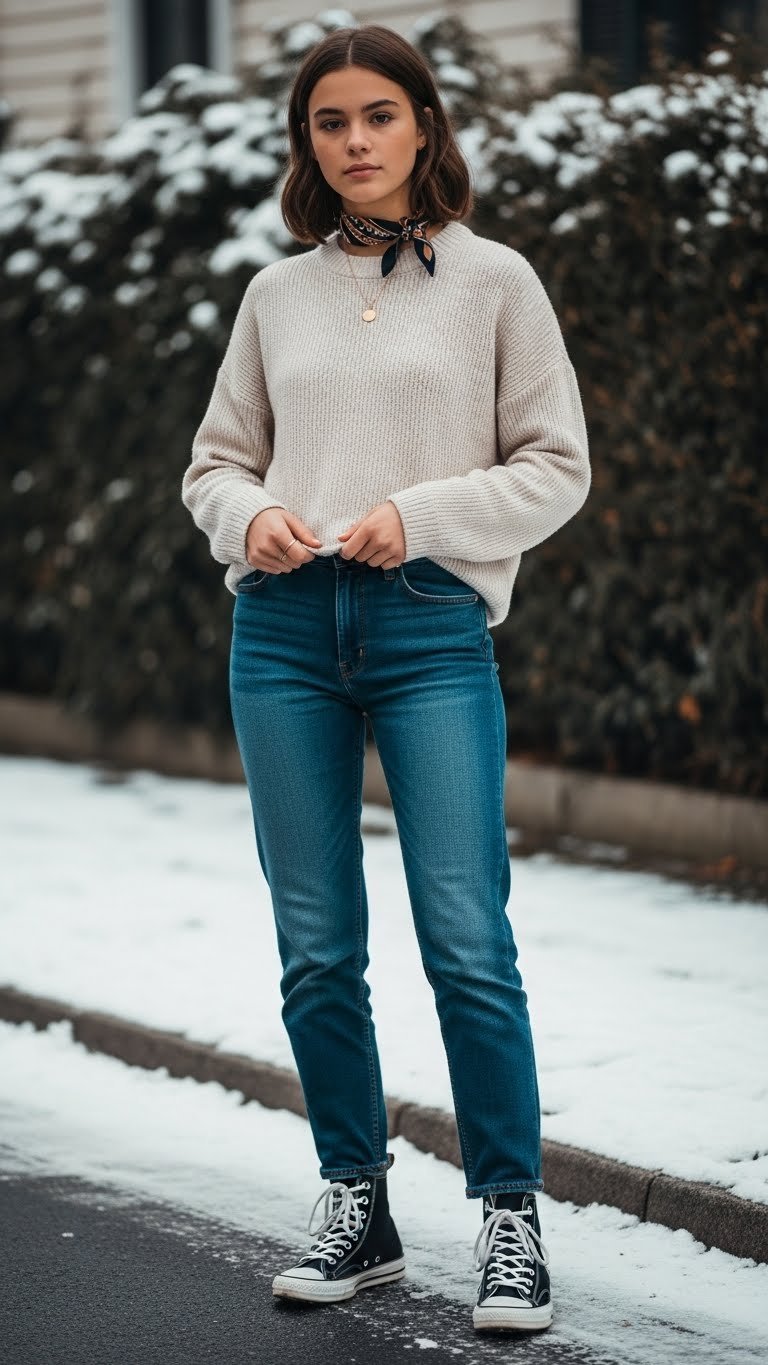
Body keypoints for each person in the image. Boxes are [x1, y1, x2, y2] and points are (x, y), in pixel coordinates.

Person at [181, 23, 590, 1335]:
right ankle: (355, 1198)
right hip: (285, 636)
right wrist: (248, 519)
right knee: (316, 950)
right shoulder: (274, 296)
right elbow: (215, 463)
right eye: (327, 122)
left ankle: (511, 1218)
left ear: (423, 125)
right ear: (308, 142)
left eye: (376, 116)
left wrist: (418, 513)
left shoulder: (496, 285)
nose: (352, 141)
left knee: (469, 939)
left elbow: (554, 465)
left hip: (426, 630)